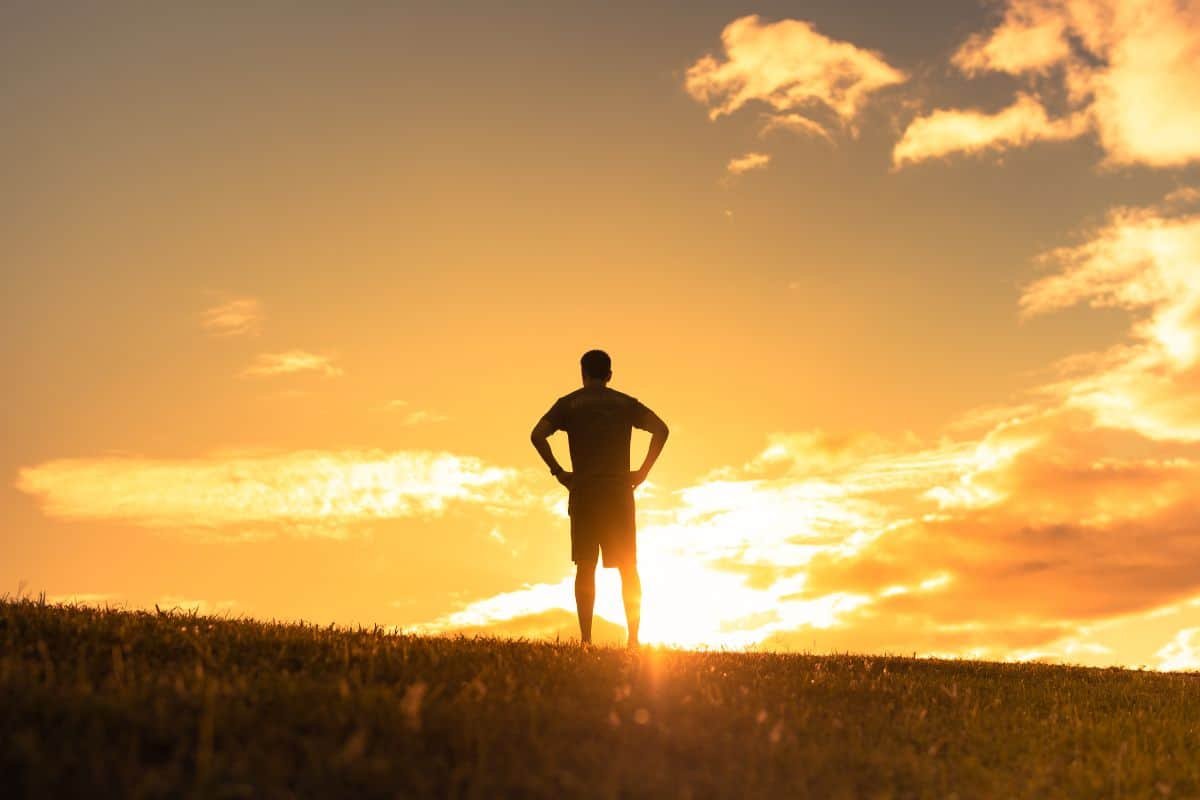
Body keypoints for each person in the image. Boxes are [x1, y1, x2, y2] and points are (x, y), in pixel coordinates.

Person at [529, 349, 669, 648]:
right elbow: (661, 429)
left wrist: (560, 472)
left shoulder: (568, 404)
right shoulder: (624, 404)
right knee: (628, 567)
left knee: (585, 565)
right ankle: (633, 640)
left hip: (585, 493)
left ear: (582, 374)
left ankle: (586, 640)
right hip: (618, 493)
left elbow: (537, 435)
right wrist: (642, 472)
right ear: (609, 375)